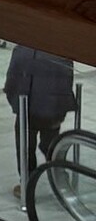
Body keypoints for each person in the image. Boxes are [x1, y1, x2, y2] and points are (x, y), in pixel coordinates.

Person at [5, 45, 76, 200]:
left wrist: (15, 102)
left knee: (25, 148)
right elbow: (66, 81)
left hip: (27, 108)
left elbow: (11, 80)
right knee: (51, 146)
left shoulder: (22, 50)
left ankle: (26, 184)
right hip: (52, 109)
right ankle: (60, 180)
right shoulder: (60, 51)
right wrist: (61, 108)